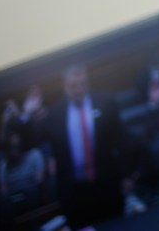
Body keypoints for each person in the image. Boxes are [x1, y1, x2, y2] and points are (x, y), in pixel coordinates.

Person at [43, 64, 133, 229]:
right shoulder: (55, 114)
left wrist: (126, 175)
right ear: (64, 86)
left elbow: (121, 140)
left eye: (82, 84)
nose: (78, 90)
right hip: (76, 191)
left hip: (107, 184)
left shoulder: (105, 102)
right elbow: (45, 142)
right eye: (73, 86)